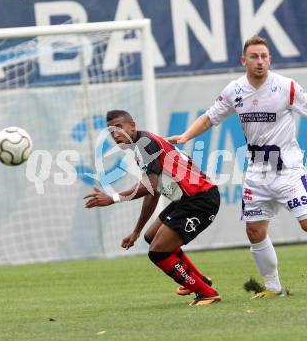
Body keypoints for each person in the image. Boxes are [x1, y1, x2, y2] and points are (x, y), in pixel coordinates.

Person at [167, 35, 307, 298]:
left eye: (264, 56)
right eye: (254, 56)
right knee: (254, 231)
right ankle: (273, 287)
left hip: (288, 172)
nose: (260, 61)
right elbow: (210, 117)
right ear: (243, 60)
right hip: (256, 174)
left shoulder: (286, 87)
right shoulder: (235, 90)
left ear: (270, 60)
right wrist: (186, 136)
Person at [84, 110, 221, 306]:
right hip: (187, 200)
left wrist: (113, 198)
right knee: (151, 237)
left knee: (158, 252)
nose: (115, 135)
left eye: (119, 128)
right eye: (111, 131)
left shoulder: (145, 144)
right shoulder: (141, 145)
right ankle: (200, 281)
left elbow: (148, 186)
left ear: (132, 125)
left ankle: (206, 292)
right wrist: (137, 231)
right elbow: (153, 191)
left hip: (200, 200)